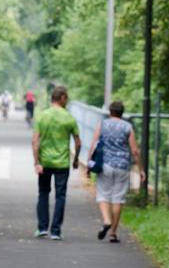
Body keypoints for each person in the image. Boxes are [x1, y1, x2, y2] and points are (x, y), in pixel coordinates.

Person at [87, 101, 145, 243]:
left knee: (103, 195)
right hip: (123, 166)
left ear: (110, 112)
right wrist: (141, 169)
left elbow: (94, 145)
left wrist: (89, 164)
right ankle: (113, 233)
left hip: (105, 165)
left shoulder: (102, 124)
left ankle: (107, 220)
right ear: (122, 112)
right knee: (118, 199)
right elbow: (135, 151)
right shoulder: (128, 127)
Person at [32, 85, 81, 240]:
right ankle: (56, 231)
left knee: (43, 193)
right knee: (61, 196)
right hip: (62, 163)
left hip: (45, 162)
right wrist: (75, 159)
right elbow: (78, 142)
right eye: (67, 98)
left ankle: (42, 228)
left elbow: (35, 141)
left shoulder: (42, 116)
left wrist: (36, 162)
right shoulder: (69, 117)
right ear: (62, 98)